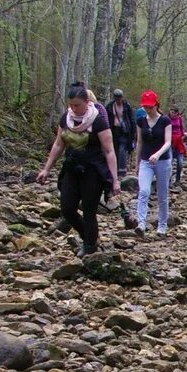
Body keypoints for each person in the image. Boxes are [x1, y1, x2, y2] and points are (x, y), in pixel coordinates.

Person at [36, 81, 120, 256]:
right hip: (72, 168)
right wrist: (46, 169)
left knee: (89, 210)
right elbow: (59, 145)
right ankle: (87, 234)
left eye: (77, 105)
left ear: (87, 103)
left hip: (93, 171)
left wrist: (114, 180)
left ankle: (89, 247)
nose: (74, 108)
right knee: (67, 208)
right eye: (71, 105)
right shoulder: (65, 119)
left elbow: (109, 150)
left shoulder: (98, 121)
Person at [135, 90, 172, 236]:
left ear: (156, 105)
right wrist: (137, 163)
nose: (148, 109)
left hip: (162, 161)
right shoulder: (141, 121)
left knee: (162, 195)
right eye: (145, 107)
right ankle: (141, 223)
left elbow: (168, 142)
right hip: (145, 161)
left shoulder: (165, 121)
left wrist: (157, 154)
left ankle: (162, 226)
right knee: (144, 191)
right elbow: (139, 142)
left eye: (150, 107)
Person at [106, 89, 136, 176]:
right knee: (115, 149)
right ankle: (114, 169)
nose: (118, 100)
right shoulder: (110, 106)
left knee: (122, 149)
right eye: (117, 98)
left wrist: (133, 132)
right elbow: (106, 118)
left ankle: (122, 170)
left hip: (124, 131)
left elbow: (132, 119)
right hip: (113, 130)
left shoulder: (127, 106)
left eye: (119, 98)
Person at [168, 105, 187, 186]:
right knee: (169, 162)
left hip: (179, 142)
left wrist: (185, 135)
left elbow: (182, 129)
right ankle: (168, 180)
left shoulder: (180, 119)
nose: (171, 113)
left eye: (173, 112)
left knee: (180, 162)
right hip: (170, 142)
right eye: (170, 112)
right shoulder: (167, 119)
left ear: (176, 113)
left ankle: (178, 179)